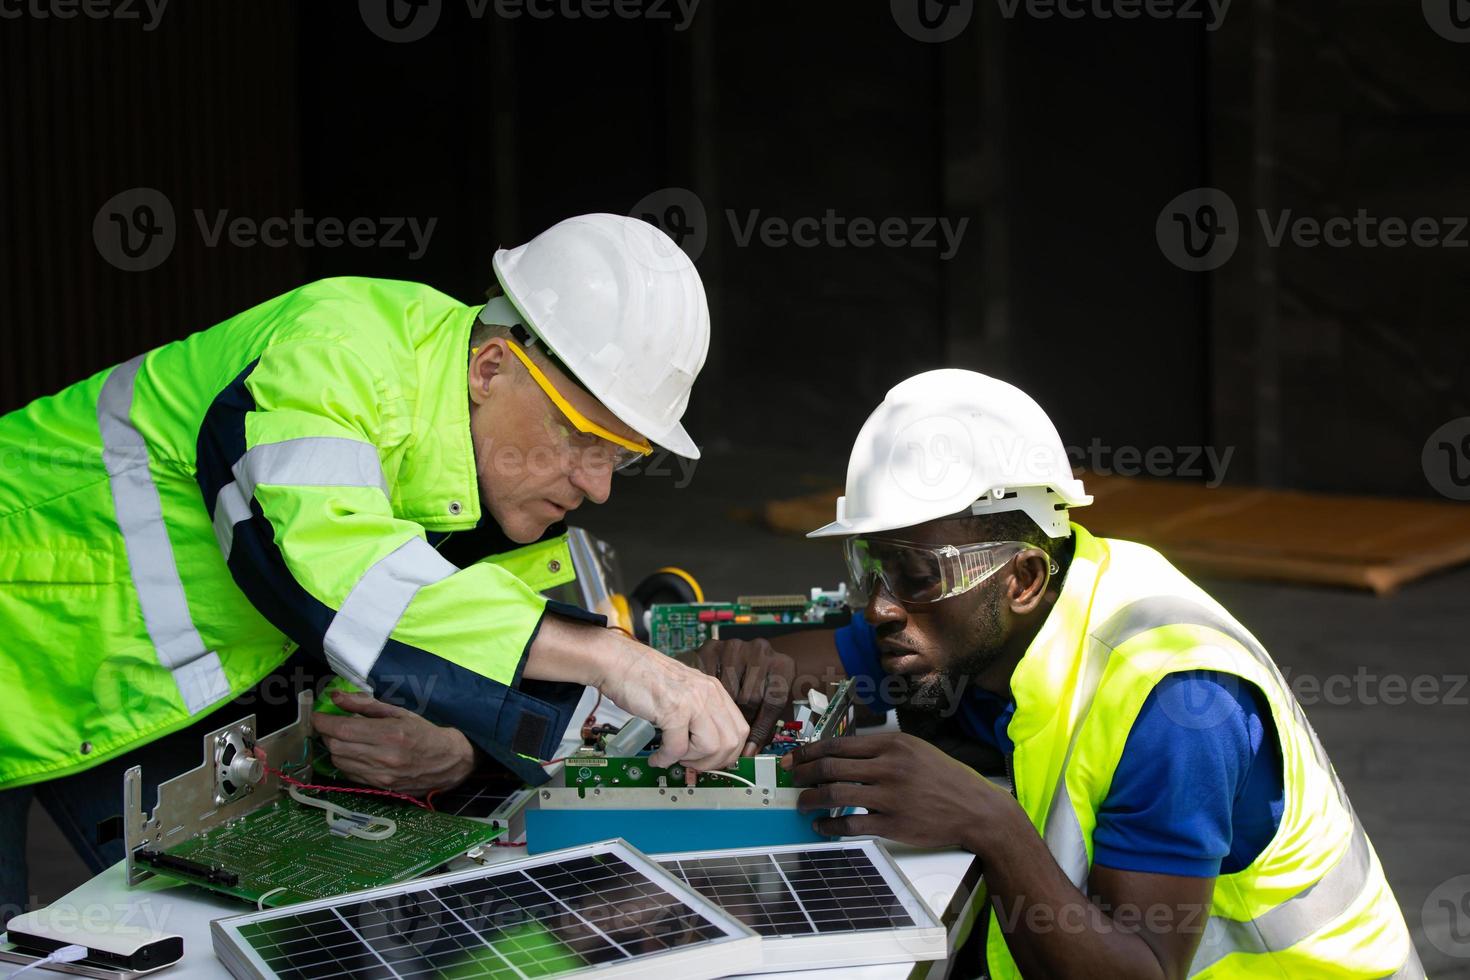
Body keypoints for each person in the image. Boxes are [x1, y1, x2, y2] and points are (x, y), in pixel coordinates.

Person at [0, 213, 747, 926]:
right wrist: (608, 654)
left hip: (124, 681)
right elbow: (333, 568)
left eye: (620, 455)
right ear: (492, 367)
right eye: (584, 439)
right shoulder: (337, 351)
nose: (599, 486)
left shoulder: (484, 462)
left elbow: (440, 637)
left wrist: (459, 749)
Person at [697, 369, 1423, 978]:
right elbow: (813, 662)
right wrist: (727, 674)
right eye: (868, 566)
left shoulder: (1177, 704)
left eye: (914, 574)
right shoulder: (977, 621)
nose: (882, 606)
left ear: (1020, 578)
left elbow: (1142, 971)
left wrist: (989, 824)